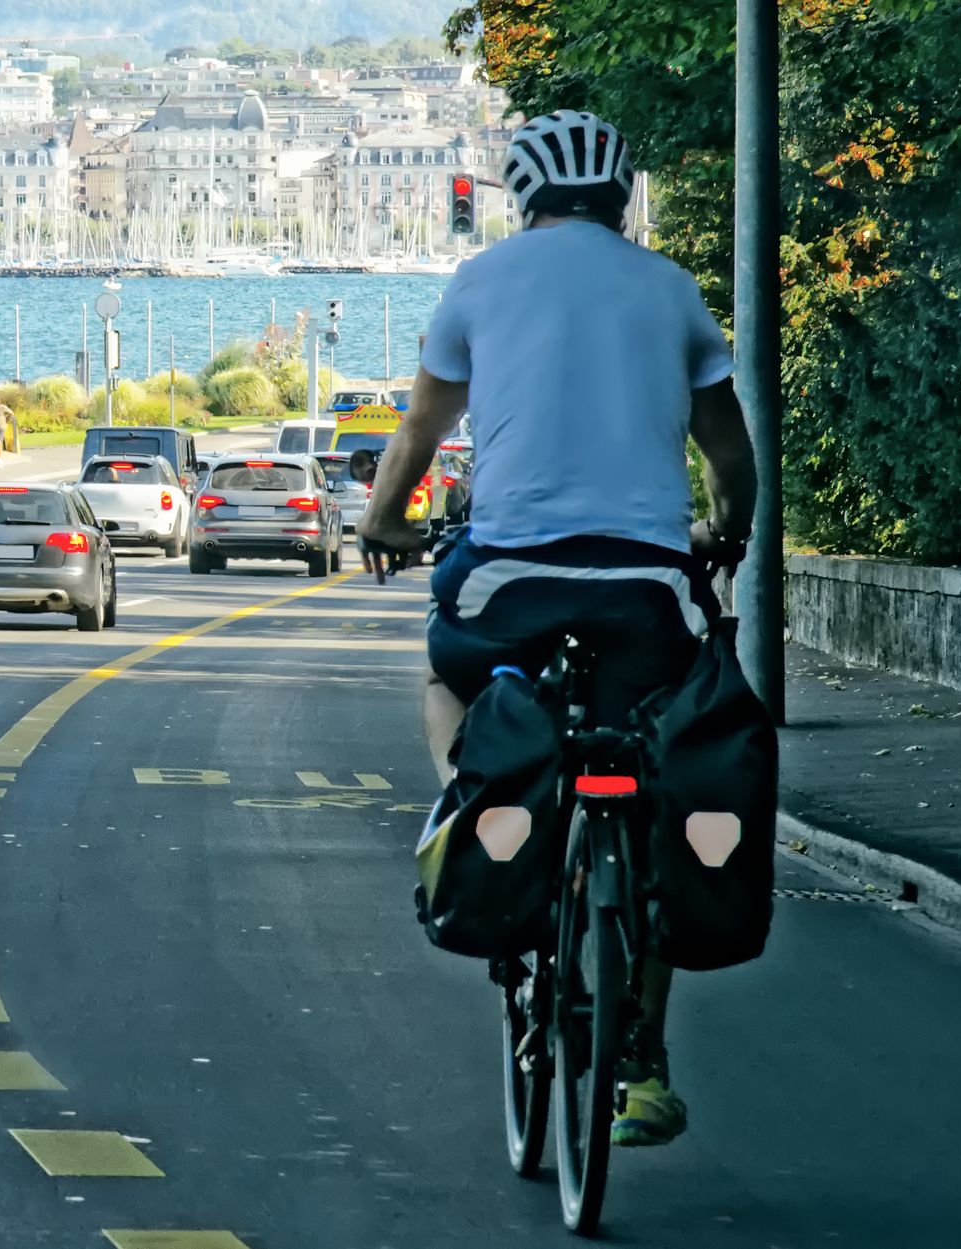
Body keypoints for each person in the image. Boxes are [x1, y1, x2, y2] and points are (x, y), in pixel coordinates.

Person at [356, 110, 758, 1151]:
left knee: (452, 670)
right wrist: (729, 532)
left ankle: (470, 797)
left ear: (521, 196)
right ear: (621, 197)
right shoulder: (667, 289)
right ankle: (642, 1058)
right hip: (644, 587)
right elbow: (726, 445)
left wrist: (383, 521)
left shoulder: (479, 285)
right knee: (660, 773)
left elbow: (420, 429)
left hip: (509, 581)